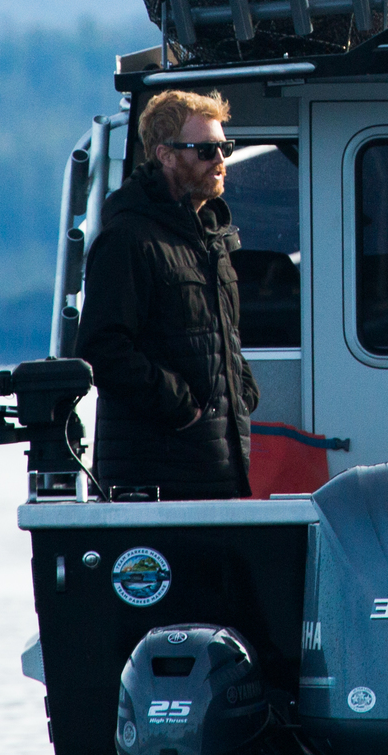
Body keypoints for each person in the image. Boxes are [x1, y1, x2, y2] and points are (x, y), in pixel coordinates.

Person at [80, 88, 259, 499]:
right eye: (206, 150)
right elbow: (101, 348)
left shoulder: (212, 239)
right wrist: (183, 408)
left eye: (224, 148)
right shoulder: (128, 238)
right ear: (165, 155)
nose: (220, 161)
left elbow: (220, 339)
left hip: (215, 472)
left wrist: (243, 392)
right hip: (152, 483)